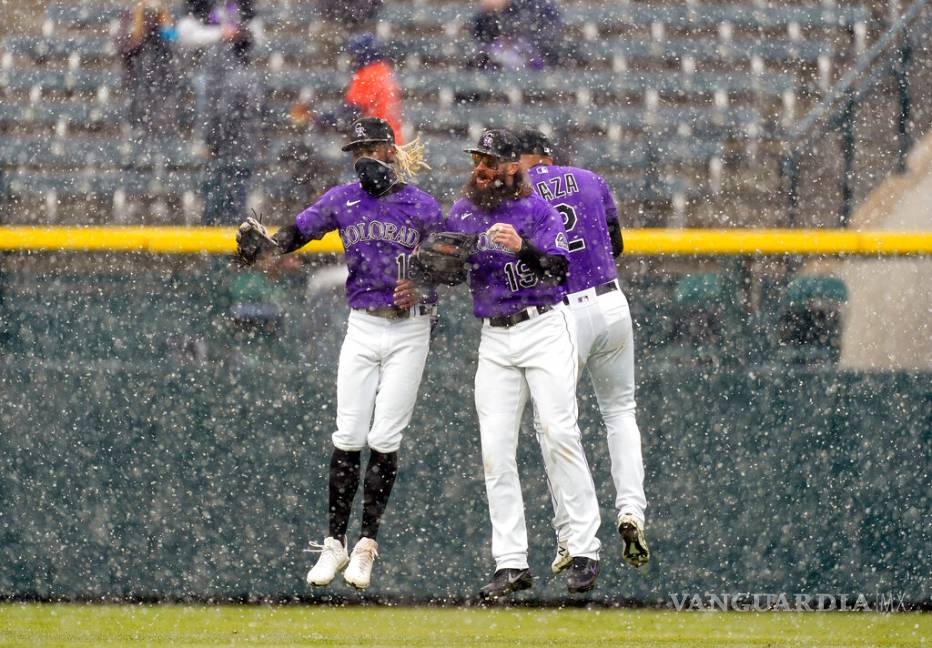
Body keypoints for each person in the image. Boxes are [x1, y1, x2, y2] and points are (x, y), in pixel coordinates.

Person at [237, 118, 439, 590]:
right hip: (363, 323)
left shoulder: (421, 205)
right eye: (356, 150)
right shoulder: (343, 198)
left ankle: (366, 544)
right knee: (348, 434)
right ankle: (334, 542)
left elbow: (451, 263)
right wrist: (269, 246)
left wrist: (424, 283)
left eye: (370, 147)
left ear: (390, 150)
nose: (362, 156)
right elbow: (298, 231)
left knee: (385, 436)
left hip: (410, 328)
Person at [403, 128, 603, 598]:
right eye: (478, 158)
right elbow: (449, 270)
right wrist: (428, 268)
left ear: (514, 166)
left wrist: (522, 247)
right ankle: (511, 563)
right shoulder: (463, 211)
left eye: (490, 160)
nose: (481, 168)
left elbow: (559, 270)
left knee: (559, 433)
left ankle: (584, 549)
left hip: (543, 326)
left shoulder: (537, 210)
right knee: (495, 451)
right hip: (494, 337)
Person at [515, 129, 650, 572]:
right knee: (620, 412)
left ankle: (570, 534)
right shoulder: (590, 179)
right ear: (549, 155)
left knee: (553, 424)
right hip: (611, 301)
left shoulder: (520, 191)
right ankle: (631, 508)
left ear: (525, 158)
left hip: (562, 313)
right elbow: (617, 244)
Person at [114, 0, 178, 140]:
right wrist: (139, 25)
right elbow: (125, 47)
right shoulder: (128, 17)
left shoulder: (163, 18)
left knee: (161, 120)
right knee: (137, 118)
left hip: (161, 79)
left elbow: (174, 39)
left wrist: (163, 19)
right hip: (136, 80)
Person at [470, 0, 566, 70]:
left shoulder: (538, 6)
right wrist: (490, 12)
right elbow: (480, 35)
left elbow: (548, 39)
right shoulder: (490, 13)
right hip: (501, 60)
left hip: (534, 60)